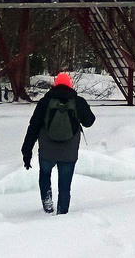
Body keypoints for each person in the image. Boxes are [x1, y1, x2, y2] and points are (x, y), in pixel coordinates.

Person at [21, 72, 95, 215]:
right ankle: (62, 212)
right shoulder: (78, 101)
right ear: (70, 84)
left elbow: (33, 127)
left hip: (47, 151)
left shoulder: (45, 102)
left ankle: (47, 203)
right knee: (65, 185)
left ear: (55, 85)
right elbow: (89, 121)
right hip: (69, 152)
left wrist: (26, 151)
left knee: (45, 175)